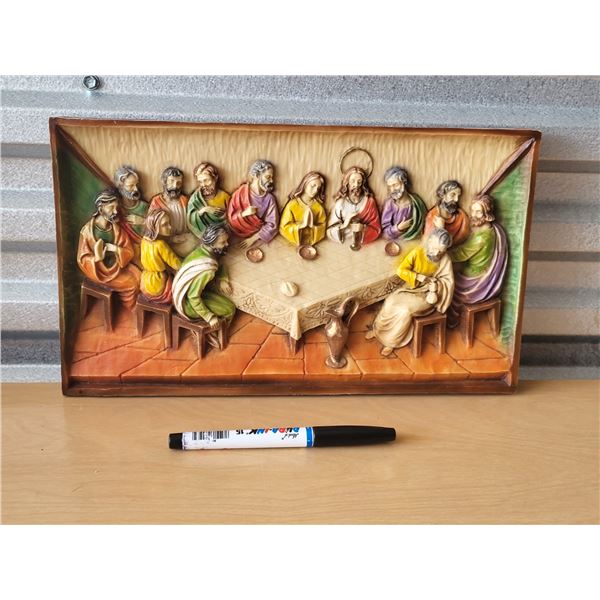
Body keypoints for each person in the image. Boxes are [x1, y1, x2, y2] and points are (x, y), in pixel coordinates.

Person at [367, 228, 454, 356]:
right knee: (391, 301)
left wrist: (435, 285)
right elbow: (401, 270)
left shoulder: (445, 259)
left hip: (427, 295)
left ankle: (391, 342)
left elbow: (448, 281)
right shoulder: (418, 252)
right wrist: (417, 277)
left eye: (440, 251)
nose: (436, 253)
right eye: (434, 248)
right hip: (411, 288)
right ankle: (378, 331)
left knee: (405, 311)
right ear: (430, 241)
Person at [448, 194, 508, 325]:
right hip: (483, 269)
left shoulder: (481, 238)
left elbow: (461, 254)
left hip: (475, 278)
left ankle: (453, 320)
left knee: (448, 284)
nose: (473, 215)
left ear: (487, 214)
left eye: (479, 212)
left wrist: (443, 252)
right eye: (473, 210)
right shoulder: (494, 229)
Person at [77, 189, 140, 310]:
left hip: (117, 267)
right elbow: (82, 259)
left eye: (116, 208)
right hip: (100, 273)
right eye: (111, 208)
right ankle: (129, 309)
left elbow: (129, 251)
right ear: (101, 209)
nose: (115, 212)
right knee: (132, 284)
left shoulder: (116, 229)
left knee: (139, 275)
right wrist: (96, 258)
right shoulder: (87, 232)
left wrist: (116, 249)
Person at [172, 224, 236, 330]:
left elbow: (219, 265)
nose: (227, 244)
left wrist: (222, 279)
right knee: (229, 309)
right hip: (188, 304)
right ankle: (216, 333)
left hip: (192, 294)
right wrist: (209, 317)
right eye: (223, 242)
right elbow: (193, 296)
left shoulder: (201, 250)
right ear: (212, 244)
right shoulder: (207, 271)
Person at [227, 159, 279, 249]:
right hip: (236, 236)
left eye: (272, 177)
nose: (271, 181)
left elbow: (272, 224)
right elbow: (231, 219)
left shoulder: (269, 198)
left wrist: (253, 238)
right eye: (268, 177)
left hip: (258, 237)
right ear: (257, 176)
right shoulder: (240, 193)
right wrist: (244, 214)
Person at [149, 166, 197, 257]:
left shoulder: (184, 200)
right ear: (164, 182)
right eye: (171, 181)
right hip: (166, 242)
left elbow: (192, 219)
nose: (175, 186)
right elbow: (152, 226)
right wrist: (171, 239)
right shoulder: (156, 202)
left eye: (178, 183)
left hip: (184, 239)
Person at [327, 166, 381, 247]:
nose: (356, 185)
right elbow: (330, 230)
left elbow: (376, 229)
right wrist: (344, 225)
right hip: (343, 243)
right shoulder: (340, 203)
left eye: (359, 182)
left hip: (364, 243)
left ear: (363, 184)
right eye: (353, 181)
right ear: (347, 182)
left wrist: (363, 228)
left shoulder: (369, 202)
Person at [139, 210, 182, 303]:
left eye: (169, 223)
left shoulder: (144, 240)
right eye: (165, 225)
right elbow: (177, 265)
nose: (170, 227)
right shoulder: (161, 245)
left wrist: (171, 240)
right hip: (159, 283)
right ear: (155, 227)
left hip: (145, 282)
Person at [279, 171, 327, 246]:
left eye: (318, 188)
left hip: (311, 243)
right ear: (305, 184)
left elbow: (322, 227)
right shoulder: (292, 205)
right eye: (313, 186)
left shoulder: (319, 208)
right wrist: (300, 226)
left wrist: (313, 227)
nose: (315, 191)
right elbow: (283, 227)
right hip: (293, 242)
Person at [380, 166, 426, 242]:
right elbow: (385, 233)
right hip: (395, 243)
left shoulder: (416, 202)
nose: (392, 190)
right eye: (389, 187)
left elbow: (425, 223)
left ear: (404, 182)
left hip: (415, 242)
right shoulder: (389, 204)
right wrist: (398, 228)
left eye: (395, 185)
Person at [187, 162, 230, 239]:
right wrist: (204, 210)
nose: (203, 185)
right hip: (204, 238)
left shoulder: (224, 197)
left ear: (215, 179)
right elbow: (190, 220)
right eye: (200, 182)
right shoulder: (195, 199)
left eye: (206, 180)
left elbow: (231, 217)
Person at [424, 180, 470, 247]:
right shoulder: (433, 216)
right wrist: (441, 229)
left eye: (458, 196)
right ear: (443, 195)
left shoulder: (462, 216)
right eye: (452, 195)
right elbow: (429, 244)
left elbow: (465, 239)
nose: (456, 200)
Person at [114, 165, 149, 243]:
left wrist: (143, 221)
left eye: (136, 184)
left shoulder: (144, 206)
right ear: (121, 187)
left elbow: (156, 229)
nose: (136, 189)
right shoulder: (116, 210)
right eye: (131, 186)